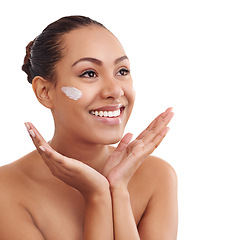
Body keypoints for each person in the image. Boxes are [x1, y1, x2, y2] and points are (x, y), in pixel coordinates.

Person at [0, 16, 178, 240]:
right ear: (45, 92)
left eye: (122, 71)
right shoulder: (5, 189)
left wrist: (118, 191)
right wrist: (97, 196)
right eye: (89, 73)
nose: (115, 90)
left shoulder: (157, 176)